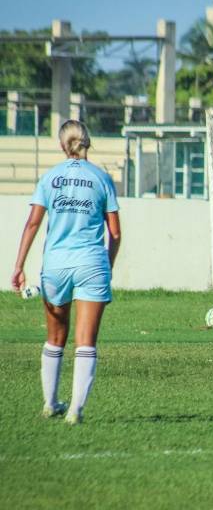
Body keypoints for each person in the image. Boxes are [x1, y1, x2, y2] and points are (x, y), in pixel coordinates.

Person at [11, 120, 121, 425]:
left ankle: (50, 403)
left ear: (62, 145)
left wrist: (19, 266)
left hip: (55, 265)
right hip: (91, 264)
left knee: (55, 337)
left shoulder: (49, 177)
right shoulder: (102, 178)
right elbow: (115, 233)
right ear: (88, 142)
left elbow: (33, 223)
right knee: (86, 341)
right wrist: (107, 266)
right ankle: (75, 410)